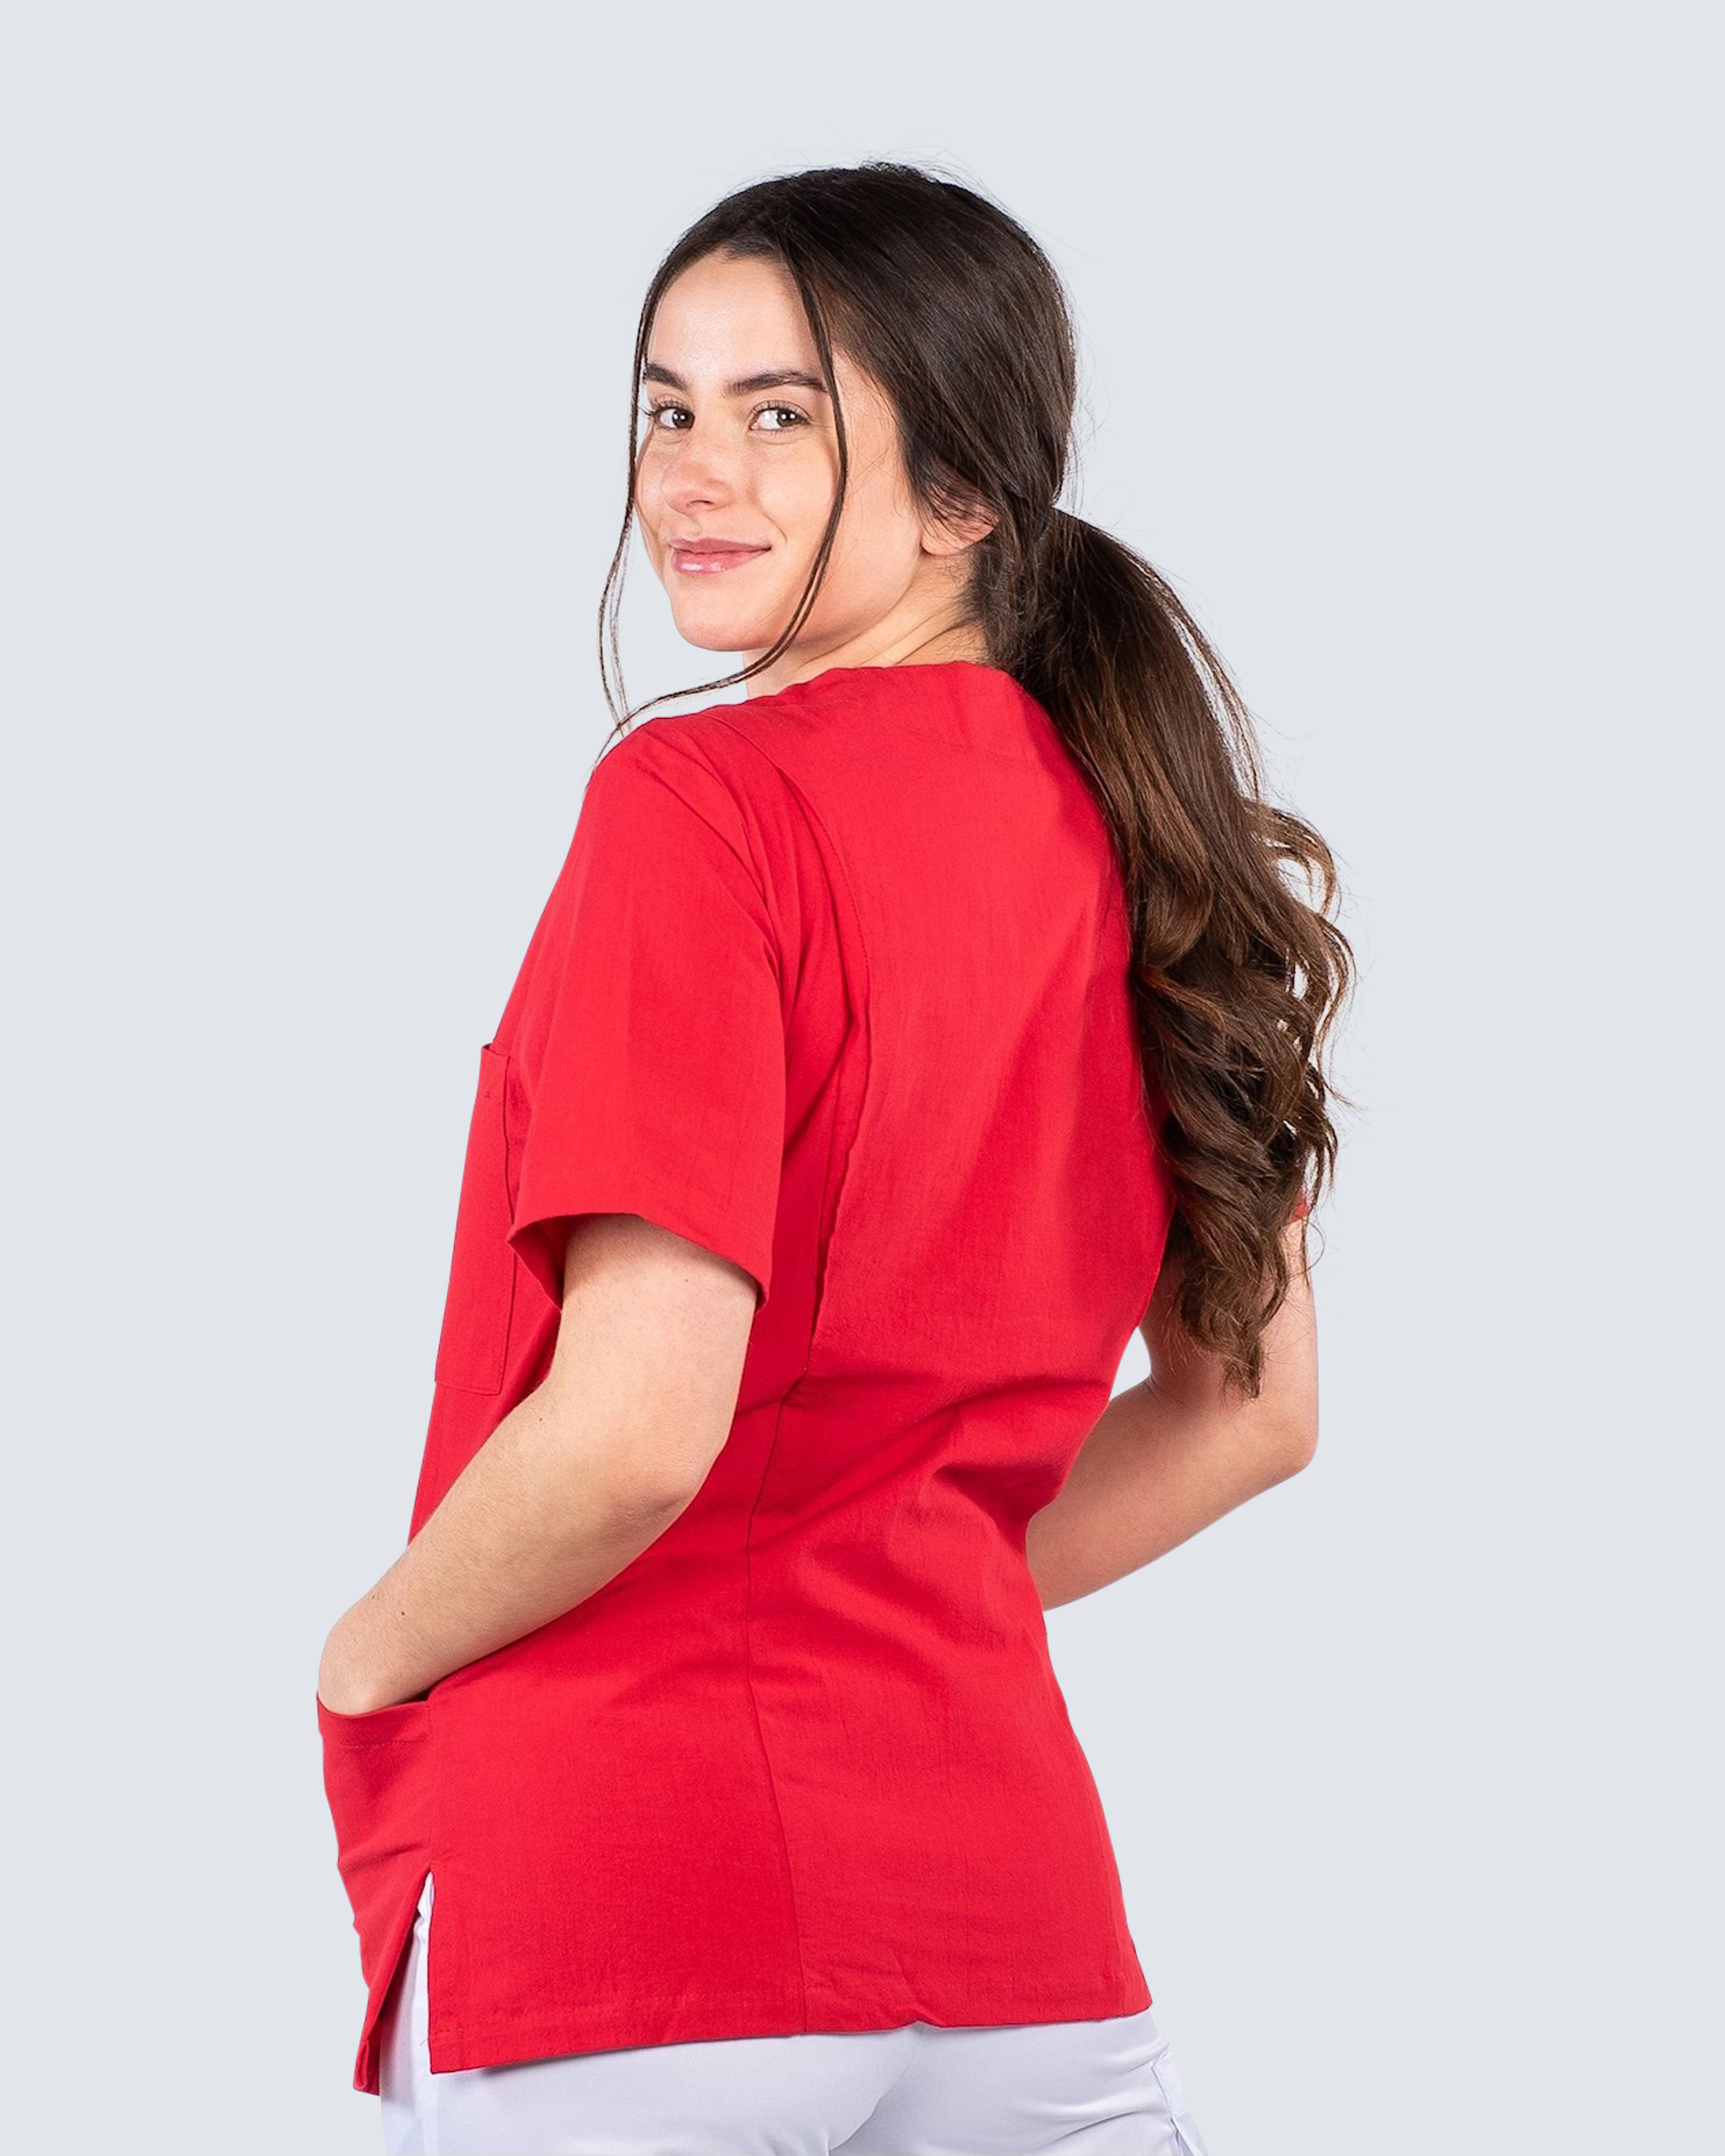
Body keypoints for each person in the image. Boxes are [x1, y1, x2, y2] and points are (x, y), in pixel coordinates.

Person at [315, 161, 1350, 2156]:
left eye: (781, 413)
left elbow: (636, 1428)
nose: (694, 475)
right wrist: (898, 1593)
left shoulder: (700, 801)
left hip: (635, 1899)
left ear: (963, 491)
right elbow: (1251, 1413)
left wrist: (367, 1661)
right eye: (666, 408)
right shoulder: (1145, 828)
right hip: (1015, 1929)